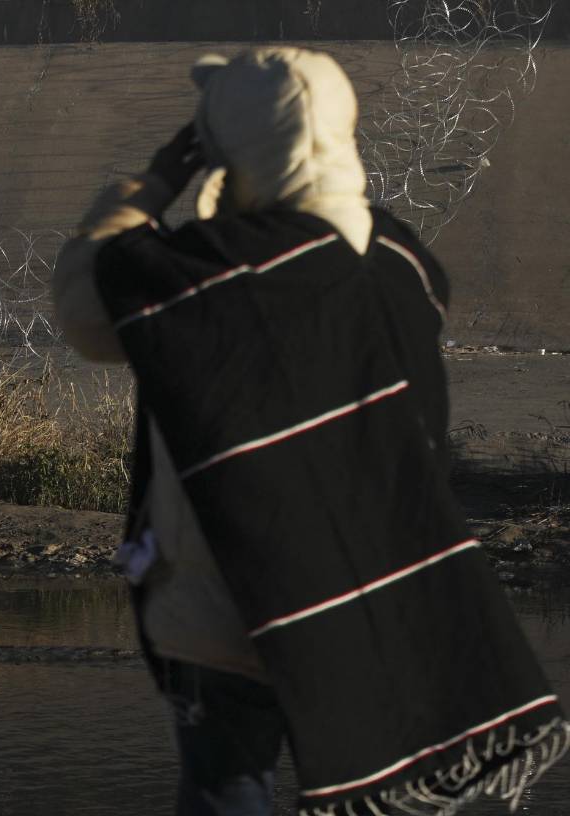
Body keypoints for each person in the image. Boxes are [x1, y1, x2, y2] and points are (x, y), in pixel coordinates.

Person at [53, 47, 567, 816]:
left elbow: (89, 306)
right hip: (368, 594)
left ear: (230, 148)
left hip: (218, 609)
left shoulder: (207, 272)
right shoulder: (400, 263)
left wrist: (152, 185)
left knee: (227, 793)